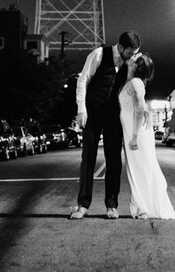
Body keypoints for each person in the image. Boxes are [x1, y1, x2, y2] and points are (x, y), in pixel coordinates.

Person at [69, 30, 141, 220]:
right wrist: (81, 109)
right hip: (92, 113)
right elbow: (83, 80)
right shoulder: (99, 54)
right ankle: (83, 205)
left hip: (114, 116)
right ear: (122, 47)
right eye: (130, 52)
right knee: (88, 159)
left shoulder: (129, 63)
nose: (132, 55)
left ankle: (112, 205)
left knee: (114, 161)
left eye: (135, 53)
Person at [119, 53, 175, 220]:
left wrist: (134, 137)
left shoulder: (136, 83)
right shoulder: (132, 81)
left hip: (136, 134)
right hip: (132, 132)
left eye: (135, 59)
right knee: (137, 169)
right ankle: (141, 206)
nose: (132, 57)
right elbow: (139, 105)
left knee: (141, 169)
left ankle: (142, 207)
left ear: (138, 67)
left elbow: (138, 109)